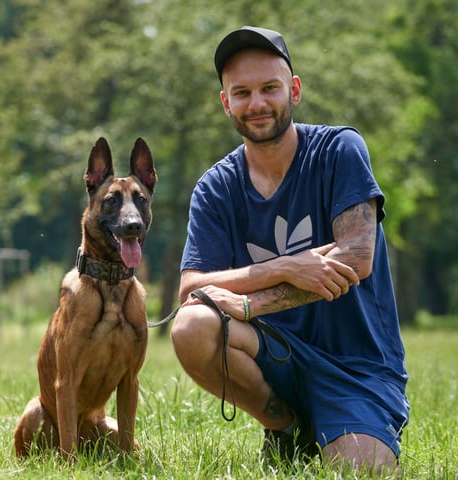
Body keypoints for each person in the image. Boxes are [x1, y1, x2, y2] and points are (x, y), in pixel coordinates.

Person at [169, 27, 409, 474]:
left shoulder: (339, 150)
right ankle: (284, 427)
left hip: (354, 367)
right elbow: (192, 288)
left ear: (293, 90)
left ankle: (356, 420)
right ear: (226, 103)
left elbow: (356, 258)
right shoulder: (216, 187)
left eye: (269, 88)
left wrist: (247, 302)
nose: (256, 103)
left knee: (363, 472)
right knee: (192, 325)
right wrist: (285, 266)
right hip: (273, 351)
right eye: (241, 92)